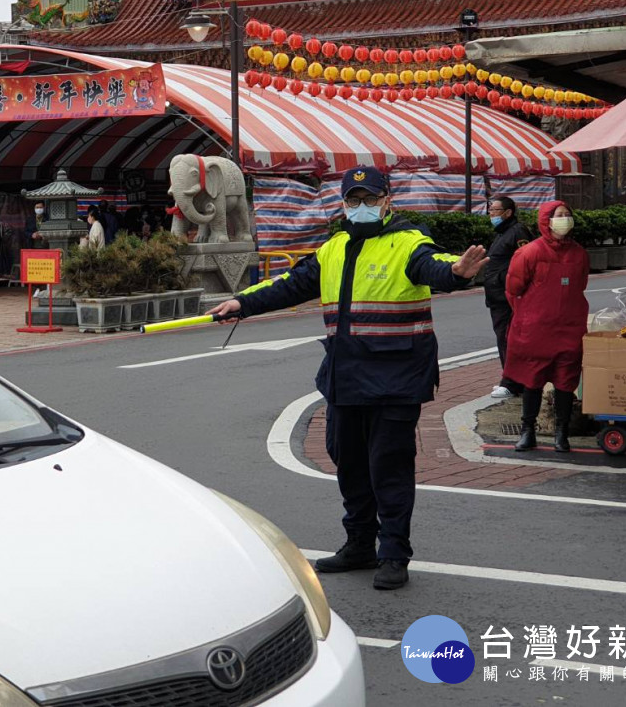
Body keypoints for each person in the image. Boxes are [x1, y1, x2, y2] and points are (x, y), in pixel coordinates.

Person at [208, 166, 488, 591]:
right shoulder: (333, 248)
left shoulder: (408, 243)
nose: (361, 207)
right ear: (342, 205)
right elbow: (289, 284)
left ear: (387, 200)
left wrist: (457, 273)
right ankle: (359, 544)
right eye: (353, 200)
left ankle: (393, 553)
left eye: (370, 199)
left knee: (388, 468)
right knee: (348, 463)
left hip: (396, 378)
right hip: (345, 377)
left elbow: (435, 266)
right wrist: (240, 303)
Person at [505, 201, 589, 454]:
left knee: (566, 382)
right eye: (559, 215)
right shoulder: (529, 253)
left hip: (570, 326)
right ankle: (528, 430)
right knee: (533, 379)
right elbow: (513, 290)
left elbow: (580, 285)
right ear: (546, 221)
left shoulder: (579, 254)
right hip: (536, 329)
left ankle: (561, 433)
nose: (564, 219)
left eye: (567, 215)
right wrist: (528, 316)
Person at [484, 196, 531, 399]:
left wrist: (508, 283)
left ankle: (511, 383)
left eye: (494, 210)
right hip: (497, 296)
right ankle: (511, 379)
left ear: (508, 212)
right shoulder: (502, 233)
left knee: (508, 338)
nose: (491, 214)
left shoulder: (517, 232)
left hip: (509, 297)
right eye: (490, 210)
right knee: (503, 337)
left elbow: (527, 262)